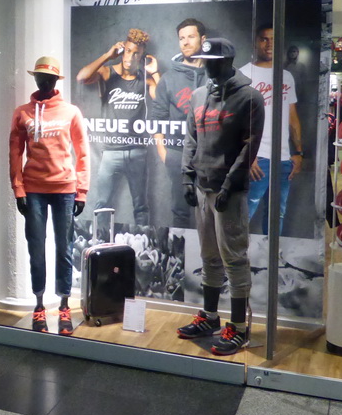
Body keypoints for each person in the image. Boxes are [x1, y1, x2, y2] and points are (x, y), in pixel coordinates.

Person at [178, 37, 264, 356]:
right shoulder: (200, 95)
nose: (206, 65)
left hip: (230, 191)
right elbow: (190, 138)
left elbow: (249, 146)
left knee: (234, 258)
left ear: (228, 60)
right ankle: (210, 317)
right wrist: (188, 178)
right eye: (204, 60)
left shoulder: (249, 98)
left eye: (212, 60)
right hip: (203, 188)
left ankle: (239, 327)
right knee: (209, 256)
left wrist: (229, 185)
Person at [9, 56, 89, 335]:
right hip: (34, 191)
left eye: (50, 78)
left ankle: (64, 304)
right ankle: (39, 303)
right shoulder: (22, 113)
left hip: (65, 190)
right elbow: (15, 152)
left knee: (64, 248)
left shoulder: (71, 112)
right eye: (41, 77)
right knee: (36, 249)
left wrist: (82, 190)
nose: (45, 81)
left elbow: (82, 152)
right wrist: (18, 188)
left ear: (56, 81)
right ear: (34, 79)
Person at [76, 28, 157, 226]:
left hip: (138, 150)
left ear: (142, 55)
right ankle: (100, 242)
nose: (131, 56)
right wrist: (107, 55)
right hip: (111, 150)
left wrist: (155, 73)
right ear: (123, 51)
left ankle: (142, 245)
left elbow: (163, 99)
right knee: (102, 203)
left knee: (141, 205)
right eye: (128, 50)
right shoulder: (107, 72)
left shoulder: (145, 79)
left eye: (136, 52)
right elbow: (81, 77)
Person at [238, 24, 303, 235]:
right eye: (264, 39)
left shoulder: (286, 77)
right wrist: (248, 156)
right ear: (256, 42)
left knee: (277, 214)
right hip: (258, 158)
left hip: (283, 160)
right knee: (244, 213)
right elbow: (235, 120)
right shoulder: (243, 75)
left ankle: (270, 262)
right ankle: (233, 262)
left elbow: (292, 117)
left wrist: (298, 152)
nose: (269, 44)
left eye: (273, 39)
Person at [150, 18, 208, 228]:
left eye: (190, 37)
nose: (185, 42)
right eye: (181, 38)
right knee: (180, 210)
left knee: (210, 211)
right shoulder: (169, 78)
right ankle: (181, 259)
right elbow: (157, 117)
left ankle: (209, 260)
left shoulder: (216, 73)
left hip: (211, 155)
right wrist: (164, 152)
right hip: (177, 153)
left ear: (203, 39)